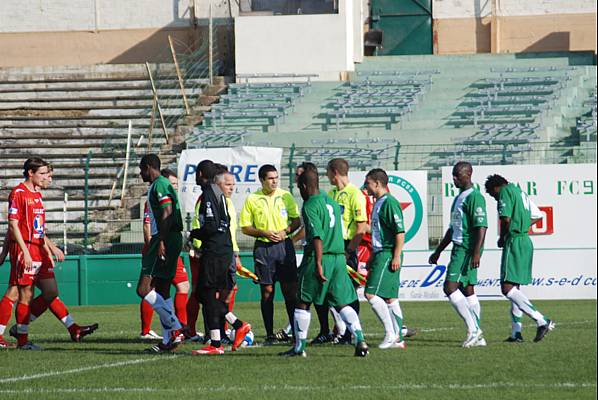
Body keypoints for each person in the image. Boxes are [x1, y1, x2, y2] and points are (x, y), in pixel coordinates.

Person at [0, 164, 98, 349]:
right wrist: (21, 252)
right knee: (21, 294)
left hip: (38, 250)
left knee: (50, 291)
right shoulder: (18, 193)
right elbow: (12, 226)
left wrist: (50, 249)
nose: (48, 179)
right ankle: (21, 339)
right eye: (44, 174)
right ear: (31, 173)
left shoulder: (37, 195)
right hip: (25, 250)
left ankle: (70, 328)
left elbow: (38, 230)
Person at [279, 168, 368, 357]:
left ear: (304, 186)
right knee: (342, 303)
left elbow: (317, 235)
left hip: (319, 257)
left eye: (299, 187)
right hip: (338, 258)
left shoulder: (310, 205)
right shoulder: (332, 203)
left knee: (302, 301)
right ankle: (360, 340)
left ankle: (299, 348)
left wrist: (318, 262)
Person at [485, 174, 555, 342]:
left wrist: (502, 237)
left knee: (507, 288)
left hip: (515, 241)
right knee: (515, 287)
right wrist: (522, 225)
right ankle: (516, 333)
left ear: (496, 187)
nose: (494, 198)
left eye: (491, 193)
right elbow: (537, 214)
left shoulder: (504, 192)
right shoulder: (519, 191)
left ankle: (541, 320)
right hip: (525, 240)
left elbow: (506, 219)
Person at [190, 162, 251, 355]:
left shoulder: (208, 193)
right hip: (223, 250)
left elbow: (212, 226)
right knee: (205, 294)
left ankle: (233, 328)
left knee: (204, 293)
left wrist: (193, 234)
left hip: (215, 251)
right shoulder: (220, 195)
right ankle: (219, 340)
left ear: (200, 174)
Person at [239, 165, 301, 344]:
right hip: (264, 249)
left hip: (284, 247)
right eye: (270, 178)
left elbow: (296, 220)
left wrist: (286, 231)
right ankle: (269, 333)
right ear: (262, 180)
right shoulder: (253, 199)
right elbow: (245, 227)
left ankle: (296, 332)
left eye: (276, 177)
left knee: (290, 291)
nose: (274, 181)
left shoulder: (285, 196)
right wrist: (263, 233)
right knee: (267, 291)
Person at [429, 162, 487, 348]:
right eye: (453, 175)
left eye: (457, 175)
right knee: (467, 289)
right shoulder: (459, 197)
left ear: (468, 174)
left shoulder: (475, 197)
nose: (454, 178)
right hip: (459, 247)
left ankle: (474, 330)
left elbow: (481, 227)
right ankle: (479, 335)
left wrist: (476, 252)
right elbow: (452, 228)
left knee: (449, 287)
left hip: (466, 249)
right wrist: (438, 250)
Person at [318, 158, 368, 345]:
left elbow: (361, 228)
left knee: (349, 292)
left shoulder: (355, 194)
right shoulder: (331, 194)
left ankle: (351, 333)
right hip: (333, 247)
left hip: (347, 248)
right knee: (330, 291)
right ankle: (340, 330)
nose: (327, 176)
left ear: (334, 173)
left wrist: (349, 251)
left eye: (328, 173)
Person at [137, 154, 183, 353]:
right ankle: (167, 340)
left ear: (149, 167)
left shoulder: (159, 184)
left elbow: (167, 211)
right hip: (169, 237)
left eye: (141, 170)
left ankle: (176, 328)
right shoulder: (159, 185)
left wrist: (161, 240)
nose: (141, 174)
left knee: (144, 289)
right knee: (163, 290)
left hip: (163, 238)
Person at [363, 168, 407, 350]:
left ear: (377, 183)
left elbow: (399, 231)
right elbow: (378, 234)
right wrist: (373, 256)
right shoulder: (379, 203)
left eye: (368, 183)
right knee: (390, 298)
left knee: (371, 294)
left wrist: (396, 255)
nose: (366, 187)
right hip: (381, 253)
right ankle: (399, 339)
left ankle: (391, 334)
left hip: (388, 254)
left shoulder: (389, 202)